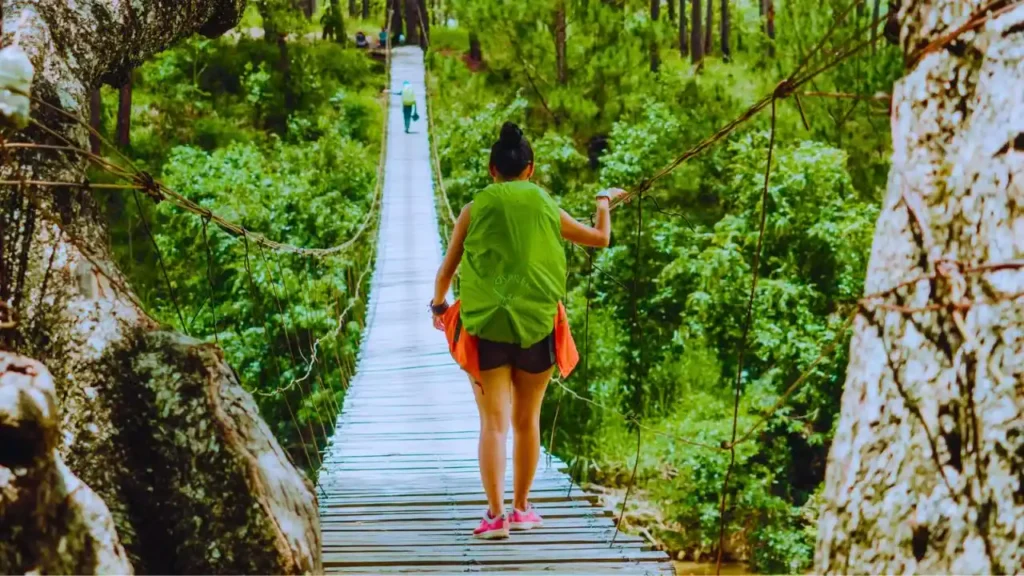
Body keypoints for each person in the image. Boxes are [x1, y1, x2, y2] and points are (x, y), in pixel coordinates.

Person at [430, 122, 627, 539]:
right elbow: (599, 239)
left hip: (486, 329)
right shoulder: (543, 204)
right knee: (527, 420)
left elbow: (446, 272)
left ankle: (495, 516)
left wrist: (438, 306)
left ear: (491, 169)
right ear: (530, 169)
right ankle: (521, 509)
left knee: (493, 425)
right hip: (538, 325)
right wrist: (604, 201)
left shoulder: (474, 208)